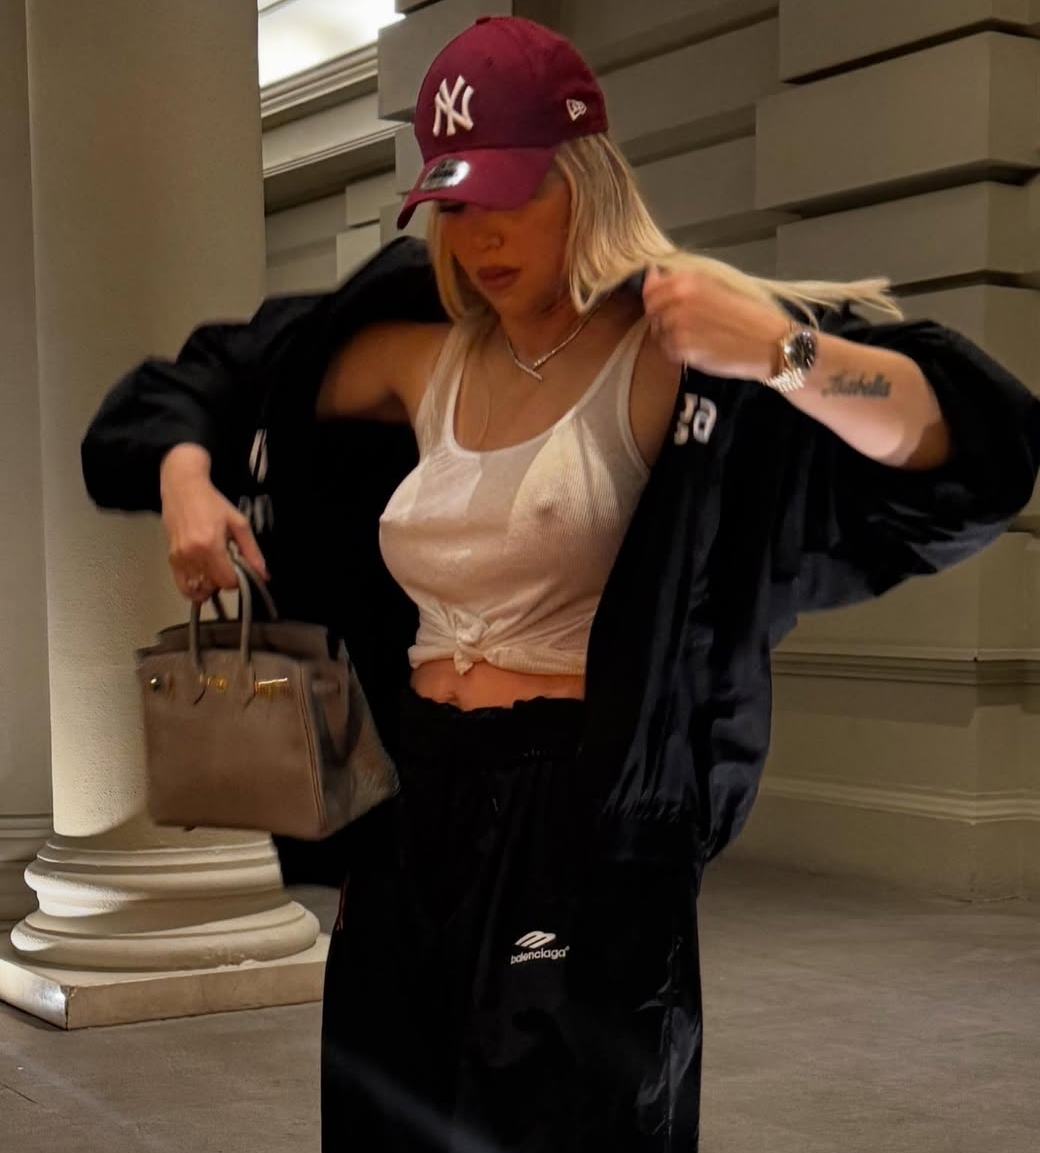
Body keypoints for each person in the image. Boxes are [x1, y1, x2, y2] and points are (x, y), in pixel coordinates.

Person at [82, 15, 1040, 1153]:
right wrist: (187, 477)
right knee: (386, 1110)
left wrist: (783, 352)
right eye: (455, 206)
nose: (480, 235)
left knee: (572, 1123)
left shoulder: (668, 354)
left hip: (575, 814)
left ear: (584, 180)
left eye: (511, 195)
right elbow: (210, 379)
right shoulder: (419, 353)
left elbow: (966, 447)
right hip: (412, 798)